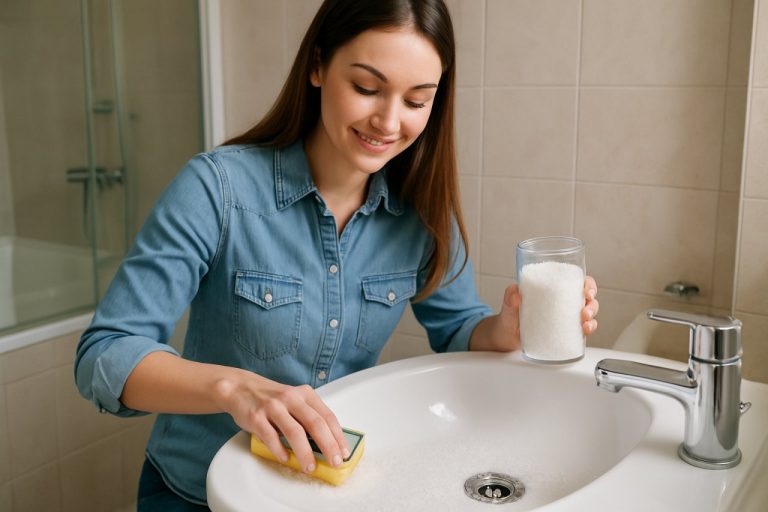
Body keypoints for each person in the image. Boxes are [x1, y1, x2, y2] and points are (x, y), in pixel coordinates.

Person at [75, 0, 599, 509]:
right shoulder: (217, 189)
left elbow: (459, 329)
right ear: (317, 66)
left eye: (416, 101)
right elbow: (106, 353)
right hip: (196, 493)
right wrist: (235, 388)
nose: (389, 122)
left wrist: (507, 327)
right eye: (367, 88)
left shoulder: (421, 214)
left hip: (326, 492)